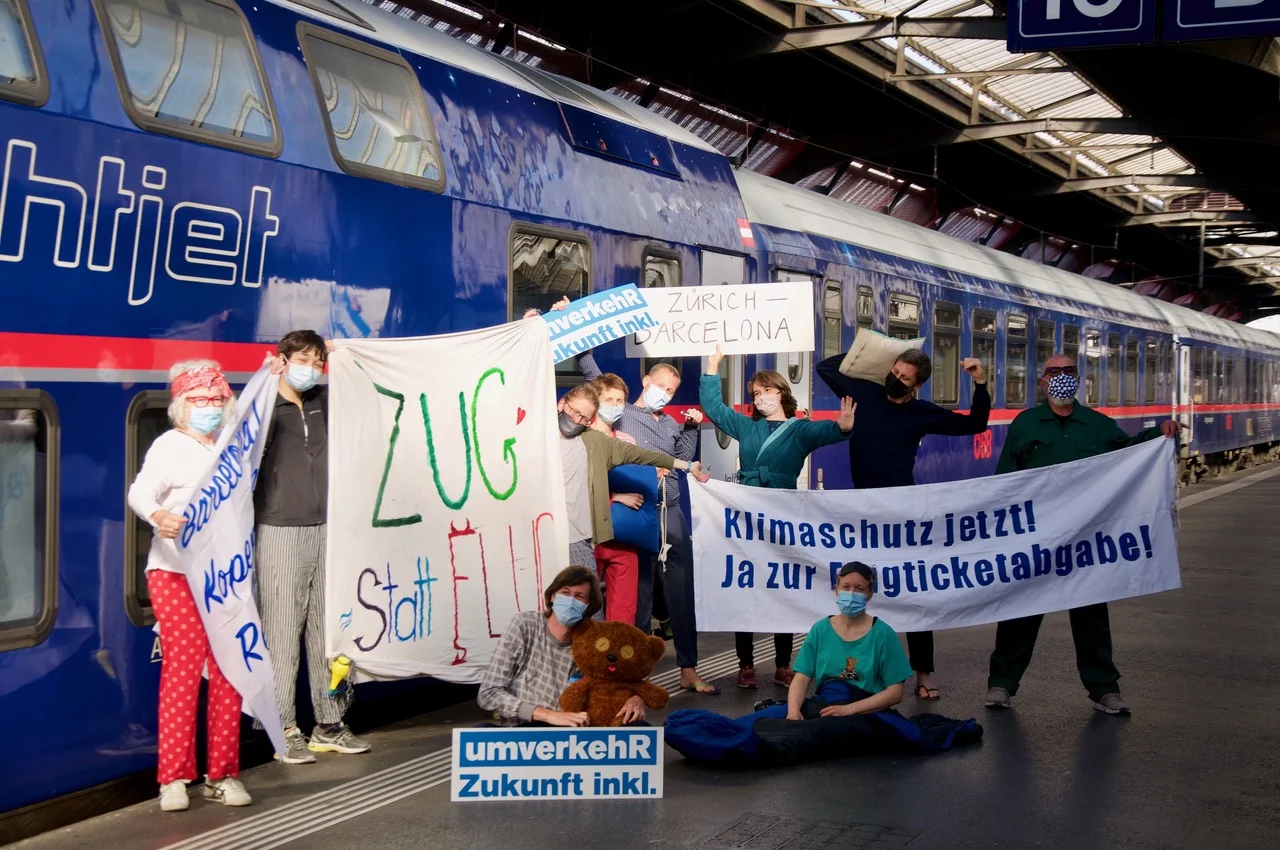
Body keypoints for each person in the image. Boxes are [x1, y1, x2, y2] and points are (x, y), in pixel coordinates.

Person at [985, 355, 1183, 716]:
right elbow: (1006, 481)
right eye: (1054, 372)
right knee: (1020, 611)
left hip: (1085, 541)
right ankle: (1002, 684)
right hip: (1037, 538)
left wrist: (1158, 434)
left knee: (1091, 616)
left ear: (1079, 380)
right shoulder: (1026, 424)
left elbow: (1129, 455)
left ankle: (1104, 689)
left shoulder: (1096, 426)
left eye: (1069, 372)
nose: (1062, 378)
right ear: (1042, 382)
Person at [817, 346, 988, 701]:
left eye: (904, 378)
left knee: (913, 591)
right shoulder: (864, 394)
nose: (896, 380)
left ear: (917, 385)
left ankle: (923, 673)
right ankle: (856, 669)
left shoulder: (921, 413)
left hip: (902, 512)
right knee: (857, 590)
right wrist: (881, 353)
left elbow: (975, 424)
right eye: (894, 372)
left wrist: (981, 384)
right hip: (863, 508)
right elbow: (826, 367)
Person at [127, 360, 252, 812]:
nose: (209, 408)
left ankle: (223, 773)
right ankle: (174, 778)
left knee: (228, 672)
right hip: (175, 574)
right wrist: (159, 517)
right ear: (181, 407)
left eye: (217, 400)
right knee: (183, 671)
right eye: (199, 401)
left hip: (226, 576)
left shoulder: (232, 447)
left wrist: (271, 372)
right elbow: (140, 493)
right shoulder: (169, 446)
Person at [699, 345, 856, 689]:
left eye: (767, 390)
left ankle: (783, 664)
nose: (760, 397)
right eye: (756, 393)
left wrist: (843, 428)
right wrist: (712, 369)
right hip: (748, 511)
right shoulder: (746, 426)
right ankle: (746, 665)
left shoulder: (800, 430)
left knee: (781, 585)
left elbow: (825, 433)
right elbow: (713, 408)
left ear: (782, 393)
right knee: (747, 586)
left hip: (783, 514)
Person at [255, 330, 369, 765]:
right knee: (281, 631)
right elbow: (247, 452)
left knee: (330, 629)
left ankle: (330, 723)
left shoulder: (324, 402)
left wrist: (349, 359)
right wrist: (267, 385)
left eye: (318, 361)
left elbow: (368, 401)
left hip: (330, 528)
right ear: (283, 360)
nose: (312, 368)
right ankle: (284, 728)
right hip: (280, 528)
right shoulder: (267, 404)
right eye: (304, 359)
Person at [576, 351, 717, 696]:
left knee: (681, 592)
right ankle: (634, 672)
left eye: (671, 391)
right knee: (638, 596)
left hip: (671, 509)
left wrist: (692, 426)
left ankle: (689, 668)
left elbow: (684, 457)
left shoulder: (669, 423)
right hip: (637, 514)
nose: (665, 394)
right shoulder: (621, 414)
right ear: (645, 382)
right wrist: (583, 351)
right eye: (661, 387)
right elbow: (597, 381)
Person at [557, 383, 710, 612]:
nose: (576, 420)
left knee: (586, 611)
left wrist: (687, 465)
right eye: (574, 412)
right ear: (562, 404)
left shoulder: (594, 442)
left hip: (579, 538)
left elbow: (641, 455)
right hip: (545, 535)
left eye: (584, 418)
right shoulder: (535, 437)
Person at [477, 566, 649, 726]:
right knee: (480, 731)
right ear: (552, 597)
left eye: (579, 596)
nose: (570, 601)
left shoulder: (594, 640)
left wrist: (637, 698)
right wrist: (547, 715)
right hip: (526, 728)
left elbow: (632, 670)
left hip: (573, 731)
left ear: (588, 607)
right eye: (565, 593)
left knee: (640, 727)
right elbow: (488, 693)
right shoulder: (525, 625)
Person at [785, 562, 914, 720]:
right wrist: (793, 712)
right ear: (836, 589)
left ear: (870, 594)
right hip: (827, 705)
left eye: (859, 589)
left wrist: (849, 709)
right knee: (759, 722)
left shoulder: (883, 634)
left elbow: (895, 692)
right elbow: (802, 678)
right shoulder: (820, 630)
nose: (851, 594)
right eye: (846, 587)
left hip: (866, 710)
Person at [588, 372, 650, 625]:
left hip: (623, 535)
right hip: (589, 535)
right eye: (609, 399)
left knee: (624, 608)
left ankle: (617, 663)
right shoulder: (578, 440)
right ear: (595, 401)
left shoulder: (626, 441)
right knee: (587, 604)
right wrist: (617, 496)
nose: (614, 406)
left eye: (619, 401)